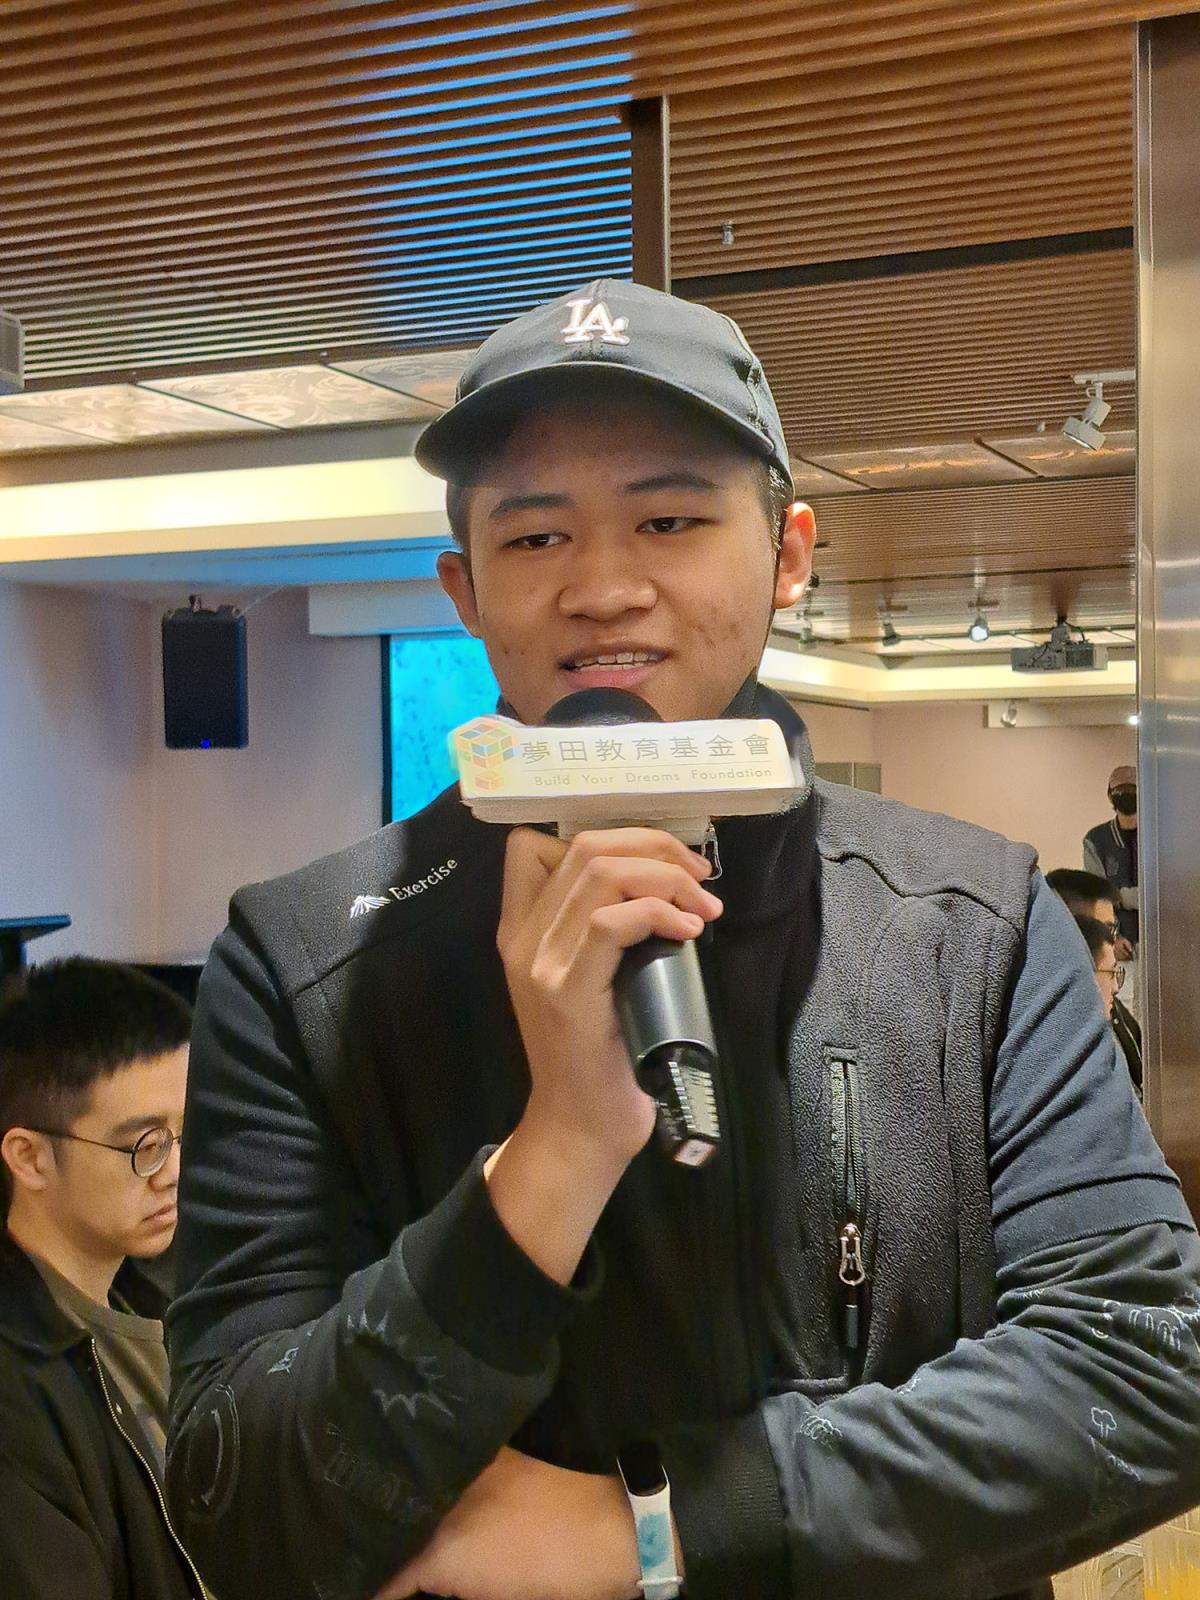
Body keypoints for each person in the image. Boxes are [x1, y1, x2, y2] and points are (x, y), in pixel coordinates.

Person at [166, 281, 1200, 1600]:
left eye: (669, 519)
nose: (603, 589)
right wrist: (553, 1154)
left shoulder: (973, 923)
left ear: (788, 552)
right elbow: (237, 1508)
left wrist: (654, 1529)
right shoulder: (303, 962)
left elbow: (1149, 1366)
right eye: (536, 535)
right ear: (464, 586)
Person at [0, 958, 202, 1600]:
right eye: (145, 1145)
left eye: (183, 1132)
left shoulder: (150, 1297)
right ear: (30, 1157)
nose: (174, 1172)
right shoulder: (16, 1398)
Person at [1047, 870, 1143, 1094]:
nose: (1111, 940)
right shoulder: (1058, 1026)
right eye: (1106, 928)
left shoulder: (1110, 1003)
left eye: (1114, 929)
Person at [1083, 766, 1140, 1019]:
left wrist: (1120, 895)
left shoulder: (1159, 835)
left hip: (1159, 945)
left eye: (1131, 789)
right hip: (1119, 947)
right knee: (1122, 1013)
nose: (1126, 794)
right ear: (1110, 795)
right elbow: (1098, 896)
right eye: (1120, 790)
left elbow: (1166, 892)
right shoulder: (1096, 840)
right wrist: (1112, 938)